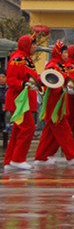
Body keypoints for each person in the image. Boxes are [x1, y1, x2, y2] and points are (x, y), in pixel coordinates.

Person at [3, 35, 39, 170]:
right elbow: (11, 80)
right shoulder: (17, 59)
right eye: (33, 44)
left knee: (18, 131)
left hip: (25, 100)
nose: (35, 47)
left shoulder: (26, 59)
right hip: (18, 100)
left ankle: (10, 160)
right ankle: (18, 159)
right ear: (26, 45)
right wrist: (25, 84)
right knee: (28, 128)